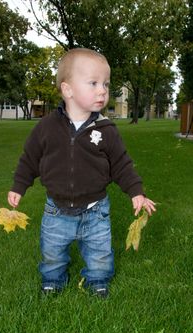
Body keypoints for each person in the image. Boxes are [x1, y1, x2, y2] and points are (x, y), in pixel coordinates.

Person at [8, 48, 156, 298]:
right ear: (68, 90)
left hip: (96, 210)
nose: (103, 91)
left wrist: (136, 191)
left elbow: (121, 163)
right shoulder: (46, 128)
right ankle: (53, 280)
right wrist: (18, 186)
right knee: (52, 250)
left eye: (106, 85)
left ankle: (97, 280)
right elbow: (29, 159)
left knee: (100, 251)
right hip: (56, 209)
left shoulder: (106, 129)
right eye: (93, 83)